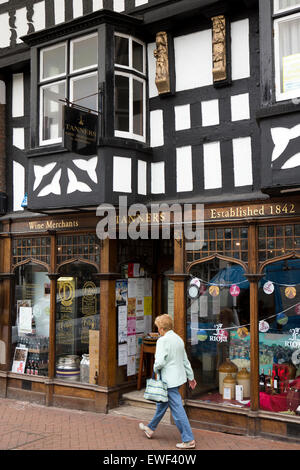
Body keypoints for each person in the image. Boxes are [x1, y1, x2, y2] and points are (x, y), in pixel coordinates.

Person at [139, 314, 197, 449]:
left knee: (177, 410)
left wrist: (154, 369)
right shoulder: (178, 339)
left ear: (161, 328)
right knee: (162, 404)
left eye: (158, 327)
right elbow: (185, 361)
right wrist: (191, 377)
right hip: (178, 379)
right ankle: (150, 428)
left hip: (167, 381)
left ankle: (188, 440)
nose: (158, 329)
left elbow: (159, 362)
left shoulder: (162, 341)